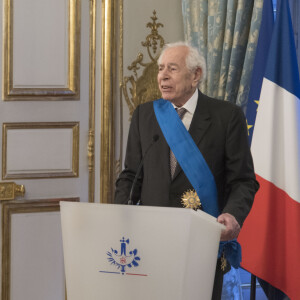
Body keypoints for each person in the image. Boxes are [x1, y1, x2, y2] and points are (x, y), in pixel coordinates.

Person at [115, 41, 259, 300]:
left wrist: (233, 214)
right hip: (152, 241)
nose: (163, 76)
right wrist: (117, 214)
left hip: (202, 243)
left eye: (172, 68)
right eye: (160, 69)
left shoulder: (226, 116)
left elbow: (244, 180)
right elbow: (131, 175)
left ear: (196, 75)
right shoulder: (145, 115)